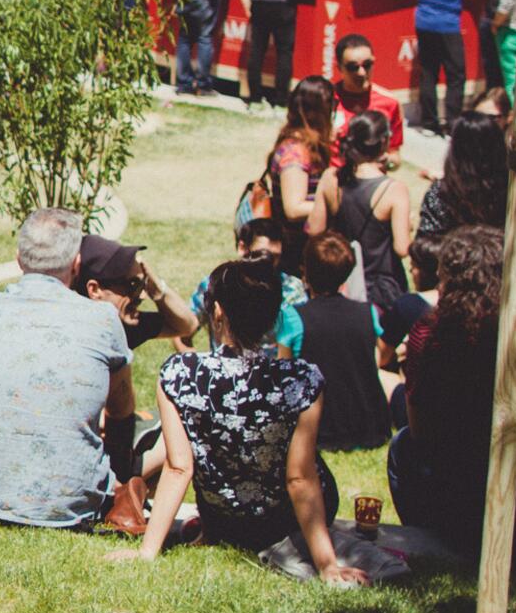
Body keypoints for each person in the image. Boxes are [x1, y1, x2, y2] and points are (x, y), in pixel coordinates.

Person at [121, 259, 368, 583]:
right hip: (285, 520)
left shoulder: (179, 374)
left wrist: (146, 552)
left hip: (223, 518)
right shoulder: (301, 380)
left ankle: (207, 532)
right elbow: (300, 478)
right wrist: (327, 565)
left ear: (218, 312)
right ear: (274, 315)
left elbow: (179, 468)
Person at [392, 225, 516, 571]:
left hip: (475, 520)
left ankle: (431, 539)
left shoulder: (433, 335)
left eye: (441, 278)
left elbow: (421, 433)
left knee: (402, 446)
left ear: (452, 282)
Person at [0, 208, 134, 529]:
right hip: (72, 503)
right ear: (76, 264)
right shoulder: (103, 318)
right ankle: (121, 482)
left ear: (19, 258)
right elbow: (120, 408)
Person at [306, 108, 410, 314]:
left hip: (338, 280)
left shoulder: (331, 178)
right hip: (380, 291)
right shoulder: (394, 190)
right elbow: (402, 248)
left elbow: (314, 229)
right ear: (384, 142)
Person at [295, 234, 392, 451]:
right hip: (370, 426)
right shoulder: (368, 313)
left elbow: (282, 372)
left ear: (306, 270)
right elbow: (375, 359)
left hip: (320, 428)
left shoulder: (294, 318)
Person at [184, 218, 307, 357]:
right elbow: (184, 328)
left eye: (276, 257)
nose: (270, 263)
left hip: (271, 375)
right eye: (263, 255)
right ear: (242, 248)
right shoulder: (215, 284)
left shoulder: (293, 288)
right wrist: (192, 361)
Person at [414, 0, 486, 132]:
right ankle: (453, 122)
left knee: (428, 72)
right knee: (456, 74)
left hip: (424, 21)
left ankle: (428, 122)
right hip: (446, 23)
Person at [73, 234, 197, 351]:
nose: (143, 295)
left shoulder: (122, 325)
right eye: (132, 285)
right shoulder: (73, 339)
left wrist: (157, 291)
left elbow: (187, 326)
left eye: (143, 284)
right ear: (95, 290)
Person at [267, 76, 336, 275]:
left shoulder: (305, 144)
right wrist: (334, 202)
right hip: (295, 251)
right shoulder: (296, 153)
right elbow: (293, 208)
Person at [416, 111, 506, 245]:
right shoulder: (509, 189)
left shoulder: (442, 193)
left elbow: (425, 244)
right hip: (499, 260)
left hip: (452, 262)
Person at [328, 35, 404, 169]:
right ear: (339, 67)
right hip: (333, 179)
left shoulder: (390, 103)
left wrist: (387, 162)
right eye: (353, 67)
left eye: (367, 65)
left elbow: (395, 155)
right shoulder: (326, 99)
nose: (361, 73)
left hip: (371, 184)